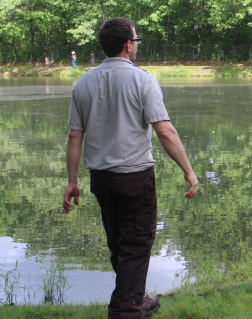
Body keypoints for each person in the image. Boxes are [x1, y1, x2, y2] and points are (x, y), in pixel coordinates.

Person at [63, 17, 199, 319]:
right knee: (136, 243)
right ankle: (124, 309)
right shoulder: (143, 80)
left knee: (119, 242)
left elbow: (74, 136)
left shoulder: (82, 83)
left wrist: (72, 181)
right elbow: (165, 132)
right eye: (136, 40)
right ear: (127, 45)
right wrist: (188, 171)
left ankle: (136, 298)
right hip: (134, 178)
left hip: (101, 179)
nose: (136, 45)